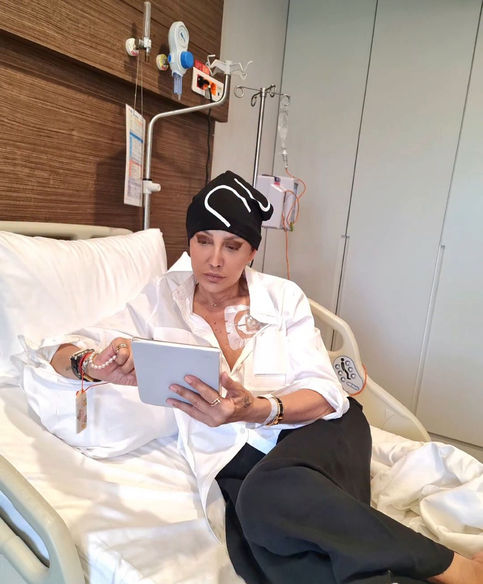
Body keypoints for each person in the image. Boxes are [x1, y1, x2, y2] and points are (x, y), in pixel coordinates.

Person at [50, 171, 483, 584]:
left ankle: (450, 566)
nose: (214, 259)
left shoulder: (281, 298)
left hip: (320, 430)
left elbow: (326, 392)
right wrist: (91, 364)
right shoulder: (160, 299)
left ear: (252, 252)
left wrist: (258, 409)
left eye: (232, 245)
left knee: (266, 497)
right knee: (267, 562)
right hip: (230, 460)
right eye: (203, 240)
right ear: (190, 241)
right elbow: (58, 350)